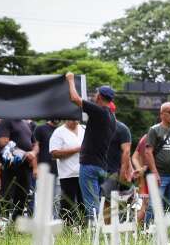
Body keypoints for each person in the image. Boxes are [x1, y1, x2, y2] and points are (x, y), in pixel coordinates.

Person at [65, 72, 116, 220]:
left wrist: (70, 79)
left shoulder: (99, 111)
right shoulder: (111, 117)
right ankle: (100, 234)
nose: (94, 97)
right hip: (101, 166)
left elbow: (75, 98)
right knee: (97, 202)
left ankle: (94, 237)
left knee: (91, 204)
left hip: (89, 166)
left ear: (99, 97)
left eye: (95, 95)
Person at [144, 102, 170, 221]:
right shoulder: (154, 130)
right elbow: (148, 152)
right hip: (159, 175)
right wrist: (154, 172)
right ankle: (147, 233)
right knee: (153, 206)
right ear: (162, 114)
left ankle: (169, 235)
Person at [0, 118, 38, 220]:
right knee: (7, 197)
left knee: (22, 197)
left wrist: (33, 153)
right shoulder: (6, 121)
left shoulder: (27, 124)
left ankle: (16, 226)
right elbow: (3, 142)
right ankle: (4, 224)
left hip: (25, 168)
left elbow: (35, 144)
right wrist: (24, 154)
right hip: (10, 166)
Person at [50, 120, 84, 224]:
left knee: (84, 203)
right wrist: (76, 150)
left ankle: (84, 228)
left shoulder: (84, 129)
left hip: (84, 173)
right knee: (67, 204)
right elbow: (54, 153)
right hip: (68, 174)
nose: (75, 121)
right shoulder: (59, 132)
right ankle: (65, 229)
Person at [105, 102, 133, 192]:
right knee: (99, 199)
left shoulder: (122, 129)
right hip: (98, 169)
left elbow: (127, 153)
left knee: (109, 199)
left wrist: (124, 172)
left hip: (114, 171)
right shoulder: (98, 127)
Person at [131, 134, 149, 224]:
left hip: (143, 177)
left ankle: (134, 231)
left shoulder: (145, 137)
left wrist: (139, 170)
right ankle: (134, 230)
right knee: (145, 206)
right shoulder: (152, 137)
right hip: (151, 177)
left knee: (143, 206)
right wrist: (142, 170)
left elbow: (134, 157)